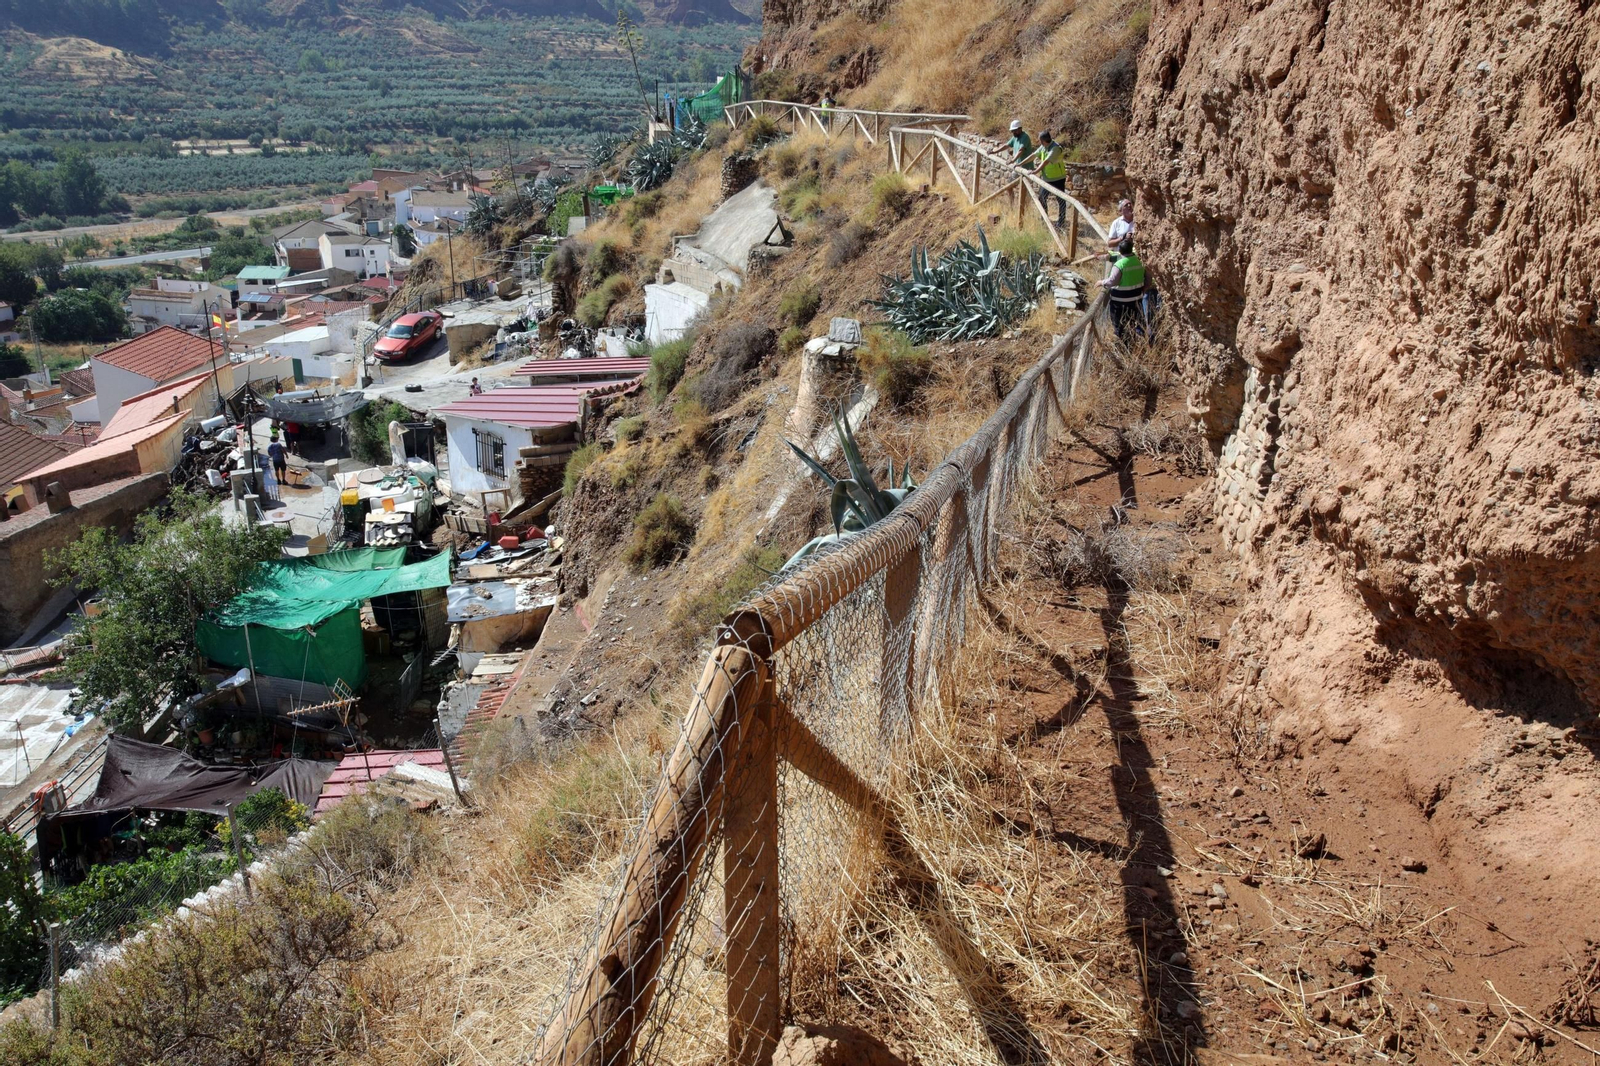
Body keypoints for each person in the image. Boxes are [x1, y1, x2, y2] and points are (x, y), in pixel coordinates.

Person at [1098, 236, 1147, 340]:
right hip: (1136, 299)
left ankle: (1121, 344)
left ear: (1120, 251)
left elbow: (1113, 281)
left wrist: (1101, 282)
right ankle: (1130, 344)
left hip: (1120, 301)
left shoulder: (1120, 264)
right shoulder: (1139, 261)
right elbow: (1147, 279)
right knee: (1131, 323)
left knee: (1119, 325)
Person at [1029, 131, 1068, 228]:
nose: (1039, 142)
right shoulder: (1044, 147)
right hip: (1047, 178)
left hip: (1058, 178)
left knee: (1061, 201)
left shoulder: (1055, 148)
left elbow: (1046, 161)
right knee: (1042, 197)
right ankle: (1044, 219)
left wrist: (1035, 171)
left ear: (1043, 140)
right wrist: (1019, 163)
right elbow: (1033, 155)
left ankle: (1061, 222)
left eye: (1040, 140)